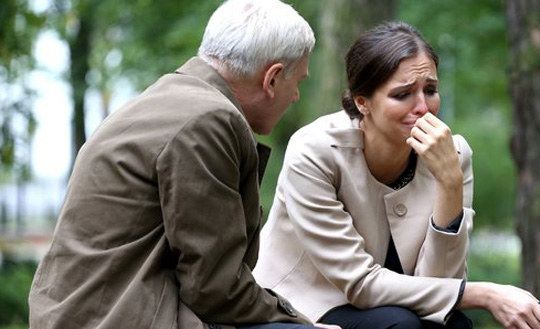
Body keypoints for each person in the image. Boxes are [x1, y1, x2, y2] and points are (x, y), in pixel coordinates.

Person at [28, 1, 338, 329]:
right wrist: (304, 323)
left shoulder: (168, 99)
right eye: (298, 82)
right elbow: (215, 289)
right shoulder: (209, 121)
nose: (297, 97)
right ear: (272, 78)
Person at [252, 22, 540, 329]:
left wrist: (449, 182)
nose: (423, 107)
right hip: (306, 302)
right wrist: (485, 294)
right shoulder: (315, 150)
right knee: (400, 325)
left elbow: (441, 285)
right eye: (403, 94)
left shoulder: (453, 154)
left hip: (397, 303)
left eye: (431, 91)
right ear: (362, 102)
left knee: (454, 324)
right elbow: (360, 284)